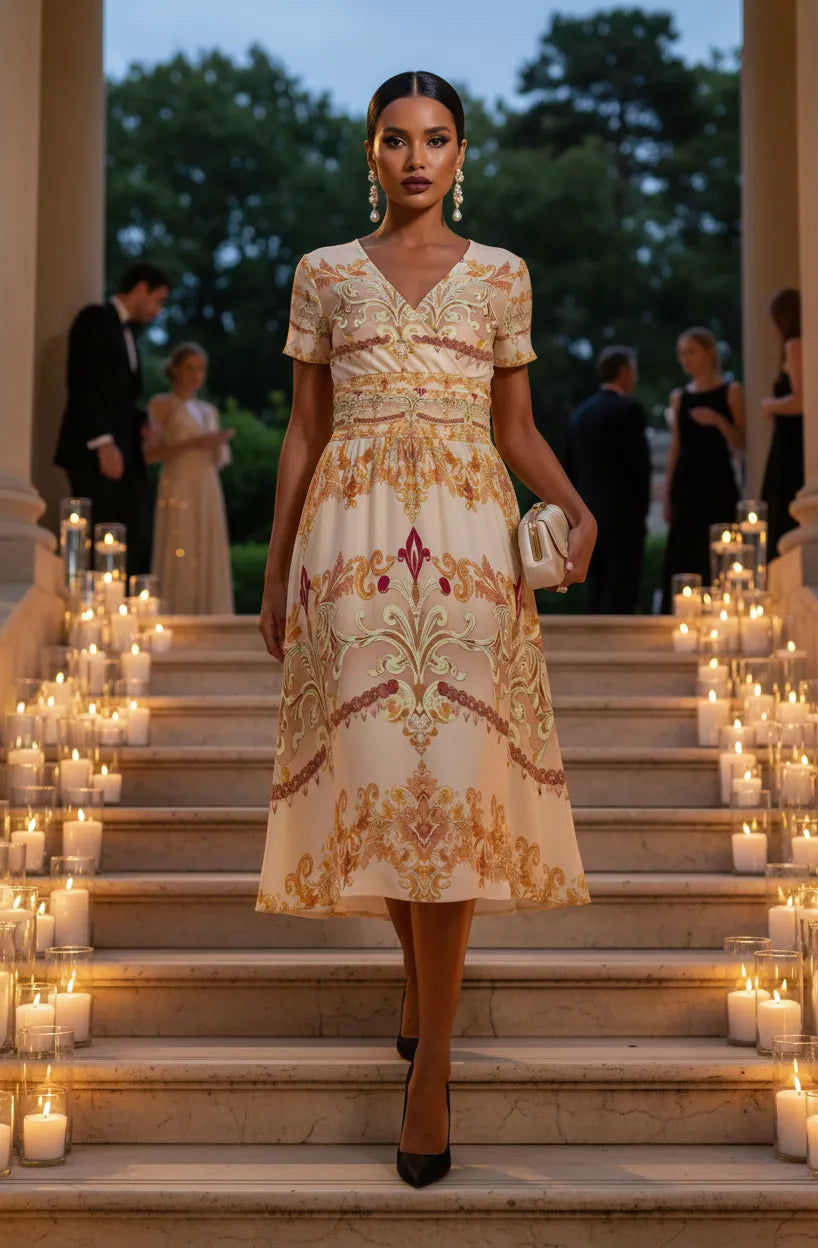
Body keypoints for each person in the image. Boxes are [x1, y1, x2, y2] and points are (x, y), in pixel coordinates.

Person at [256, 71, 594, 1188]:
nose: (415, 157)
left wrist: (578, 502)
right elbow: (305, 433)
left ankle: (432, 1064)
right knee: (387, 781)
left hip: (466, 546)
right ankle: (419, 988)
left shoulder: (501, 275)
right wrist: (276, 568)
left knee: (448, 788)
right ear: (370, 151)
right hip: (350, 540)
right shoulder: (322, 276)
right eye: (396, 139)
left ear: (461, 154)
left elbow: (515, 426)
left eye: (435, 139)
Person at [54, 262, 171, 577]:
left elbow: (120, 395)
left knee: (131, 532)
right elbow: (82, 383)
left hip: (127, 450)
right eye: (158, 301)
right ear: (141, 288)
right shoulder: (94, 319)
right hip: (96, 450)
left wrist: (143, 420)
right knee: (97, 533)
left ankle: (123, 612)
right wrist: (103, 442)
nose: (158, 311)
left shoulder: (130, 333)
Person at [143, 344, 235, 614]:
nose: (196, 375)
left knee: (207, 544)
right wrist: (195, 443)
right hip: (179, 482)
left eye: (201, 369)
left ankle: (212, 610)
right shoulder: (162, 405)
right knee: (180, 541)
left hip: (207, 483)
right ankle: (176, 610)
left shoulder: (208, 410)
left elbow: (222, 460)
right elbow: (150, 454)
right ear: (175, 369)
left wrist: (217, 444)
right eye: (190, 368)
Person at [661, 327, 745, 610]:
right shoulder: (679, 397)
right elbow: (675, 447)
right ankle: (684, 612)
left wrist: (718, 421)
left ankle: (720, 609)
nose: (686, 359)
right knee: (684, 548)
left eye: (692, 352)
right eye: (682, 354)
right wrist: (667, 493)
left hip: (718, 481)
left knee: (717, 547)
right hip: (686, 484)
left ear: (709, 352)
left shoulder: (731, 392)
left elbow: (742, 443)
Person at [565, 346, 651, 613]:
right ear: (624, 372)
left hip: (586, 511)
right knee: (622, 584)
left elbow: (570, 468)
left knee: (594, 584)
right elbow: (639, 468)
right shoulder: (629, 410)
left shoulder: (580, 414)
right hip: (623, 515)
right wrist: (642, 513)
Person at [761, 288, 803, 557]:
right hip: (789, 443)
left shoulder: (794, 345)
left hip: (791, 446)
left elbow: (801, 400)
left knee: (783, 507)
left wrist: (769, 405)